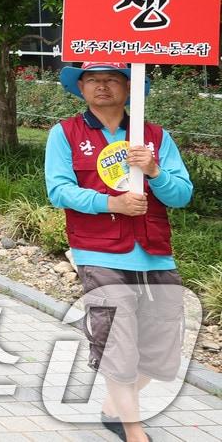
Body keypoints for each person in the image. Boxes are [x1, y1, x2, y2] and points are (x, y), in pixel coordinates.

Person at [46, 62, 194, 442]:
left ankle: (114, 405)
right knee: (117, 342)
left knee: (163, 353)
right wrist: (111, 204)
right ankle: (133, 430)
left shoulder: (155, 137)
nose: (102, 86)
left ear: (129, 88)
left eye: (112, 79)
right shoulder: (65, 133)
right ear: (81, 88)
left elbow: (182, 195)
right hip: (98, 253)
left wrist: (155, 171)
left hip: (155, 251)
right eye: (93, 80)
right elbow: (59, 190)